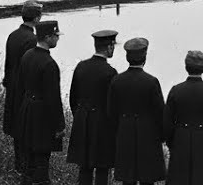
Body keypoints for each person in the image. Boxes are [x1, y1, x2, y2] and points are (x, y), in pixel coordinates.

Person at [109, 37, 166, 185]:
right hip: (148, 133)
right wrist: (163, 135)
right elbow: (160, 112)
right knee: (148, 177)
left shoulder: (117, 80)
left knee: (128, 177)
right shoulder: (151, 81)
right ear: (144, 57)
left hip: (125, 131)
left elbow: (111, 112)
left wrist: (118, 131)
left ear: (127, 57)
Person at [164, 50, 203, 185]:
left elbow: (167, 123)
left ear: (186, 67)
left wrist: (172, 143)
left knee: (179, 180)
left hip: (181, 139)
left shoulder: (176, 90)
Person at [16, 20, 66, 185]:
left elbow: (21, 85)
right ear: (47, 37)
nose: (57, 39)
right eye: (55, 36)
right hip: (42, 114)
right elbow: (53, 98)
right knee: (42, 154)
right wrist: (59, 125)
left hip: (27, 108)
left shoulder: (27, 55)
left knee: (28, 153)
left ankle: (27, 180)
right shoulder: (49, 64)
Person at [68, 30, 119, 185]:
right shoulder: (110, 72)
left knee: (84, 166)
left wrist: (80, 116)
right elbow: (112, 106)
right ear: (110, 47)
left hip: (82, 120)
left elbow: (73, 98)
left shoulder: (81, 66)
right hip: (102, 123)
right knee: (103, 167)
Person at [4, 0, 44, 174]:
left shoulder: (13, 35)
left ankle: (18, 163)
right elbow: (30, 67)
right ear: (36, 18)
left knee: (15, 122)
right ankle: (24, 164)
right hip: (23, 87)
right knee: (24, 125)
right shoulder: (32, 39)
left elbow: (9, 62)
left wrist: (6, 80)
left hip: (12, 83)